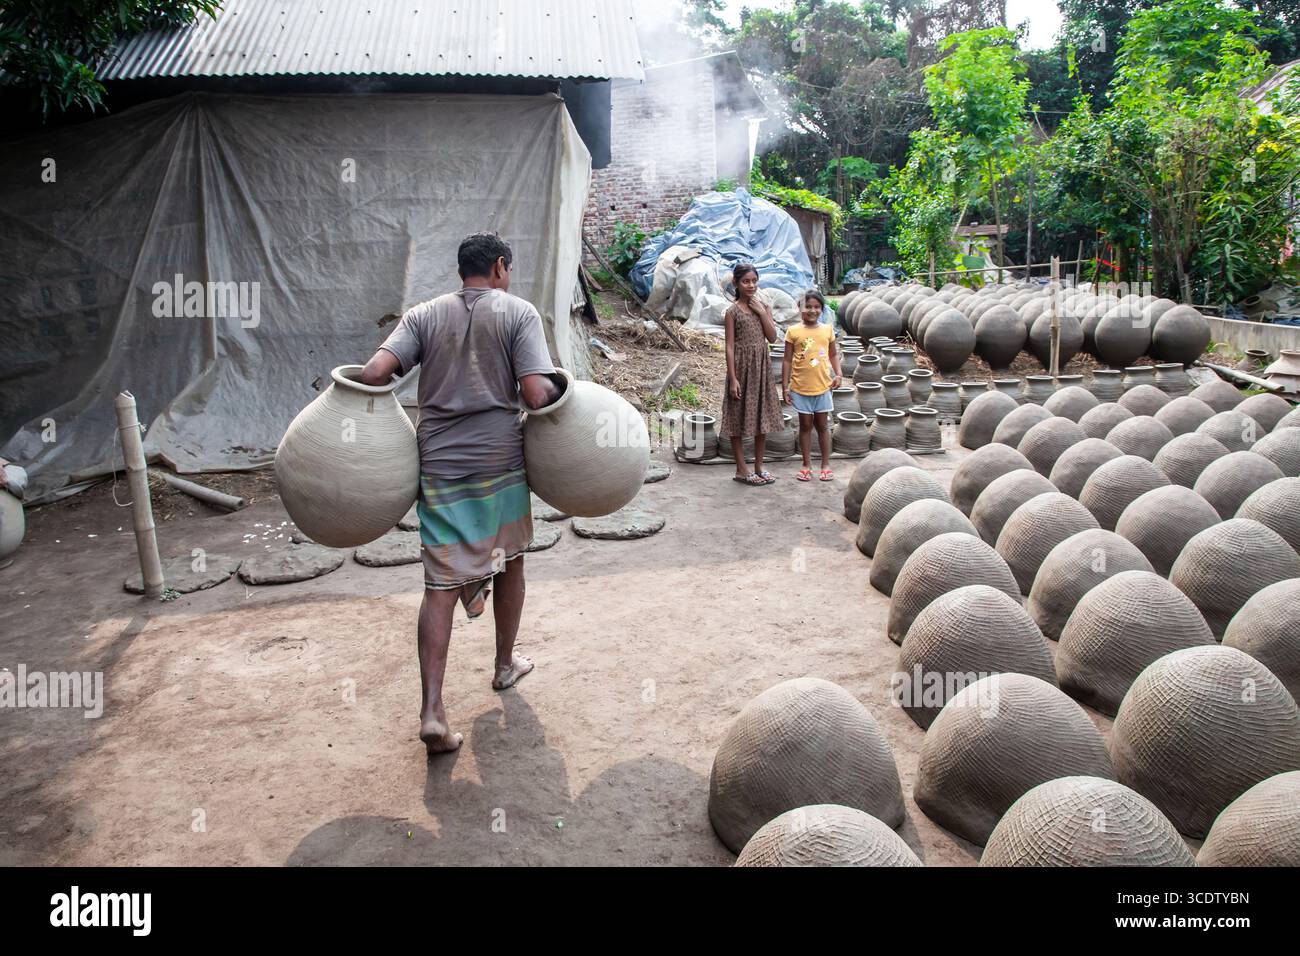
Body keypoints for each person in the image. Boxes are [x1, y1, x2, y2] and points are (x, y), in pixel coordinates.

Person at [359, 232, 561, 756]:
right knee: (510, 560)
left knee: (439, 583)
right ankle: (503, 665)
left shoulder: (423, 315)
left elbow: (374, 373)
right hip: (499, 462)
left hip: (441, 464)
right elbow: (537, 393)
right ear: (499, 267)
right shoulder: (519, 313)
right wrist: (569, 389)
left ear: (460, 270)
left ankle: (432, 710)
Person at [720, 263, 784, 485]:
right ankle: (741, 468)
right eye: (746, 281)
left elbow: (773, 337)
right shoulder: (732, 312)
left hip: (761, 369)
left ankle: (758, 466)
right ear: (736, 283)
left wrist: (760, 312)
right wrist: (733, 378)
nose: (751, 285)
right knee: (737, 416)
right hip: (741, 369)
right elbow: (729, 346)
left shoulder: (763, 307)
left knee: (761, 416)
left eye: (754, 281)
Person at [781, 290, 841, 481]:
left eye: (816, 307)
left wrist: (838, 373)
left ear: (822, 309)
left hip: (823, 386)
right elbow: (787, 360)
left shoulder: (827, 330)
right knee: (805, 426)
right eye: (808, 306)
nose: (812, 310)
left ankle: (825, 464)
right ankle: (806, 464)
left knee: (823, 426)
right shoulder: (793, 332)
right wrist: (785, 386)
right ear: (800, 308)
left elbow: (832, 354)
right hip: (800, 387)